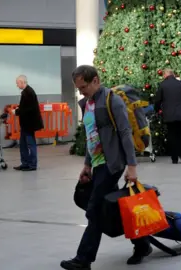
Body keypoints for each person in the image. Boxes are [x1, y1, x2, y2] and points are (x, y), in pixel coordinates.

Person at [61, 65, 151, 270]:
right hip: (97, 163)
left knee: (94, 210)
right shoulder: (87, 103)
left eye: (83, 87)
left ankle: (83, 259)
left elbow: (125, 133)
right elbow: (91, 135)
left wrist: (132, 167)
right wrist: (87, 164)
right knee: (113, 209)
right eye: (78, 88)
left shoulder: (112, 101)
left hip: (112, 164)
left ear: (96, 81)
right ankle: (142, 244)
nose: (80, 92)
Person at [154, 68, 181, 164]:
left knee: (172, 136)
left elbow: (158, 100)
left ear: (166, 75)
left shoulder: (163, 85)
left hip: (170, 116)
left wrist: (157, 110)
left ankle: (174, 158)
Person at [13, 75, 43, 171]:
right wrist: (19, 108)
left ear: (22, 82)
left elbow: (28, 109)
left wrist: (16, 111)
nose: (17, 85)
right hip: (26, 124)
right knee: (23, 144)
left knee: (30, 144)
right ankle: (25, 163)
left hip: (29, 124)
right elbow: (25, 106)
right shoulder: (27, 92)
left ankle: (32, 165)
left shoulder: (28, 93)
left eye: (17, 83)